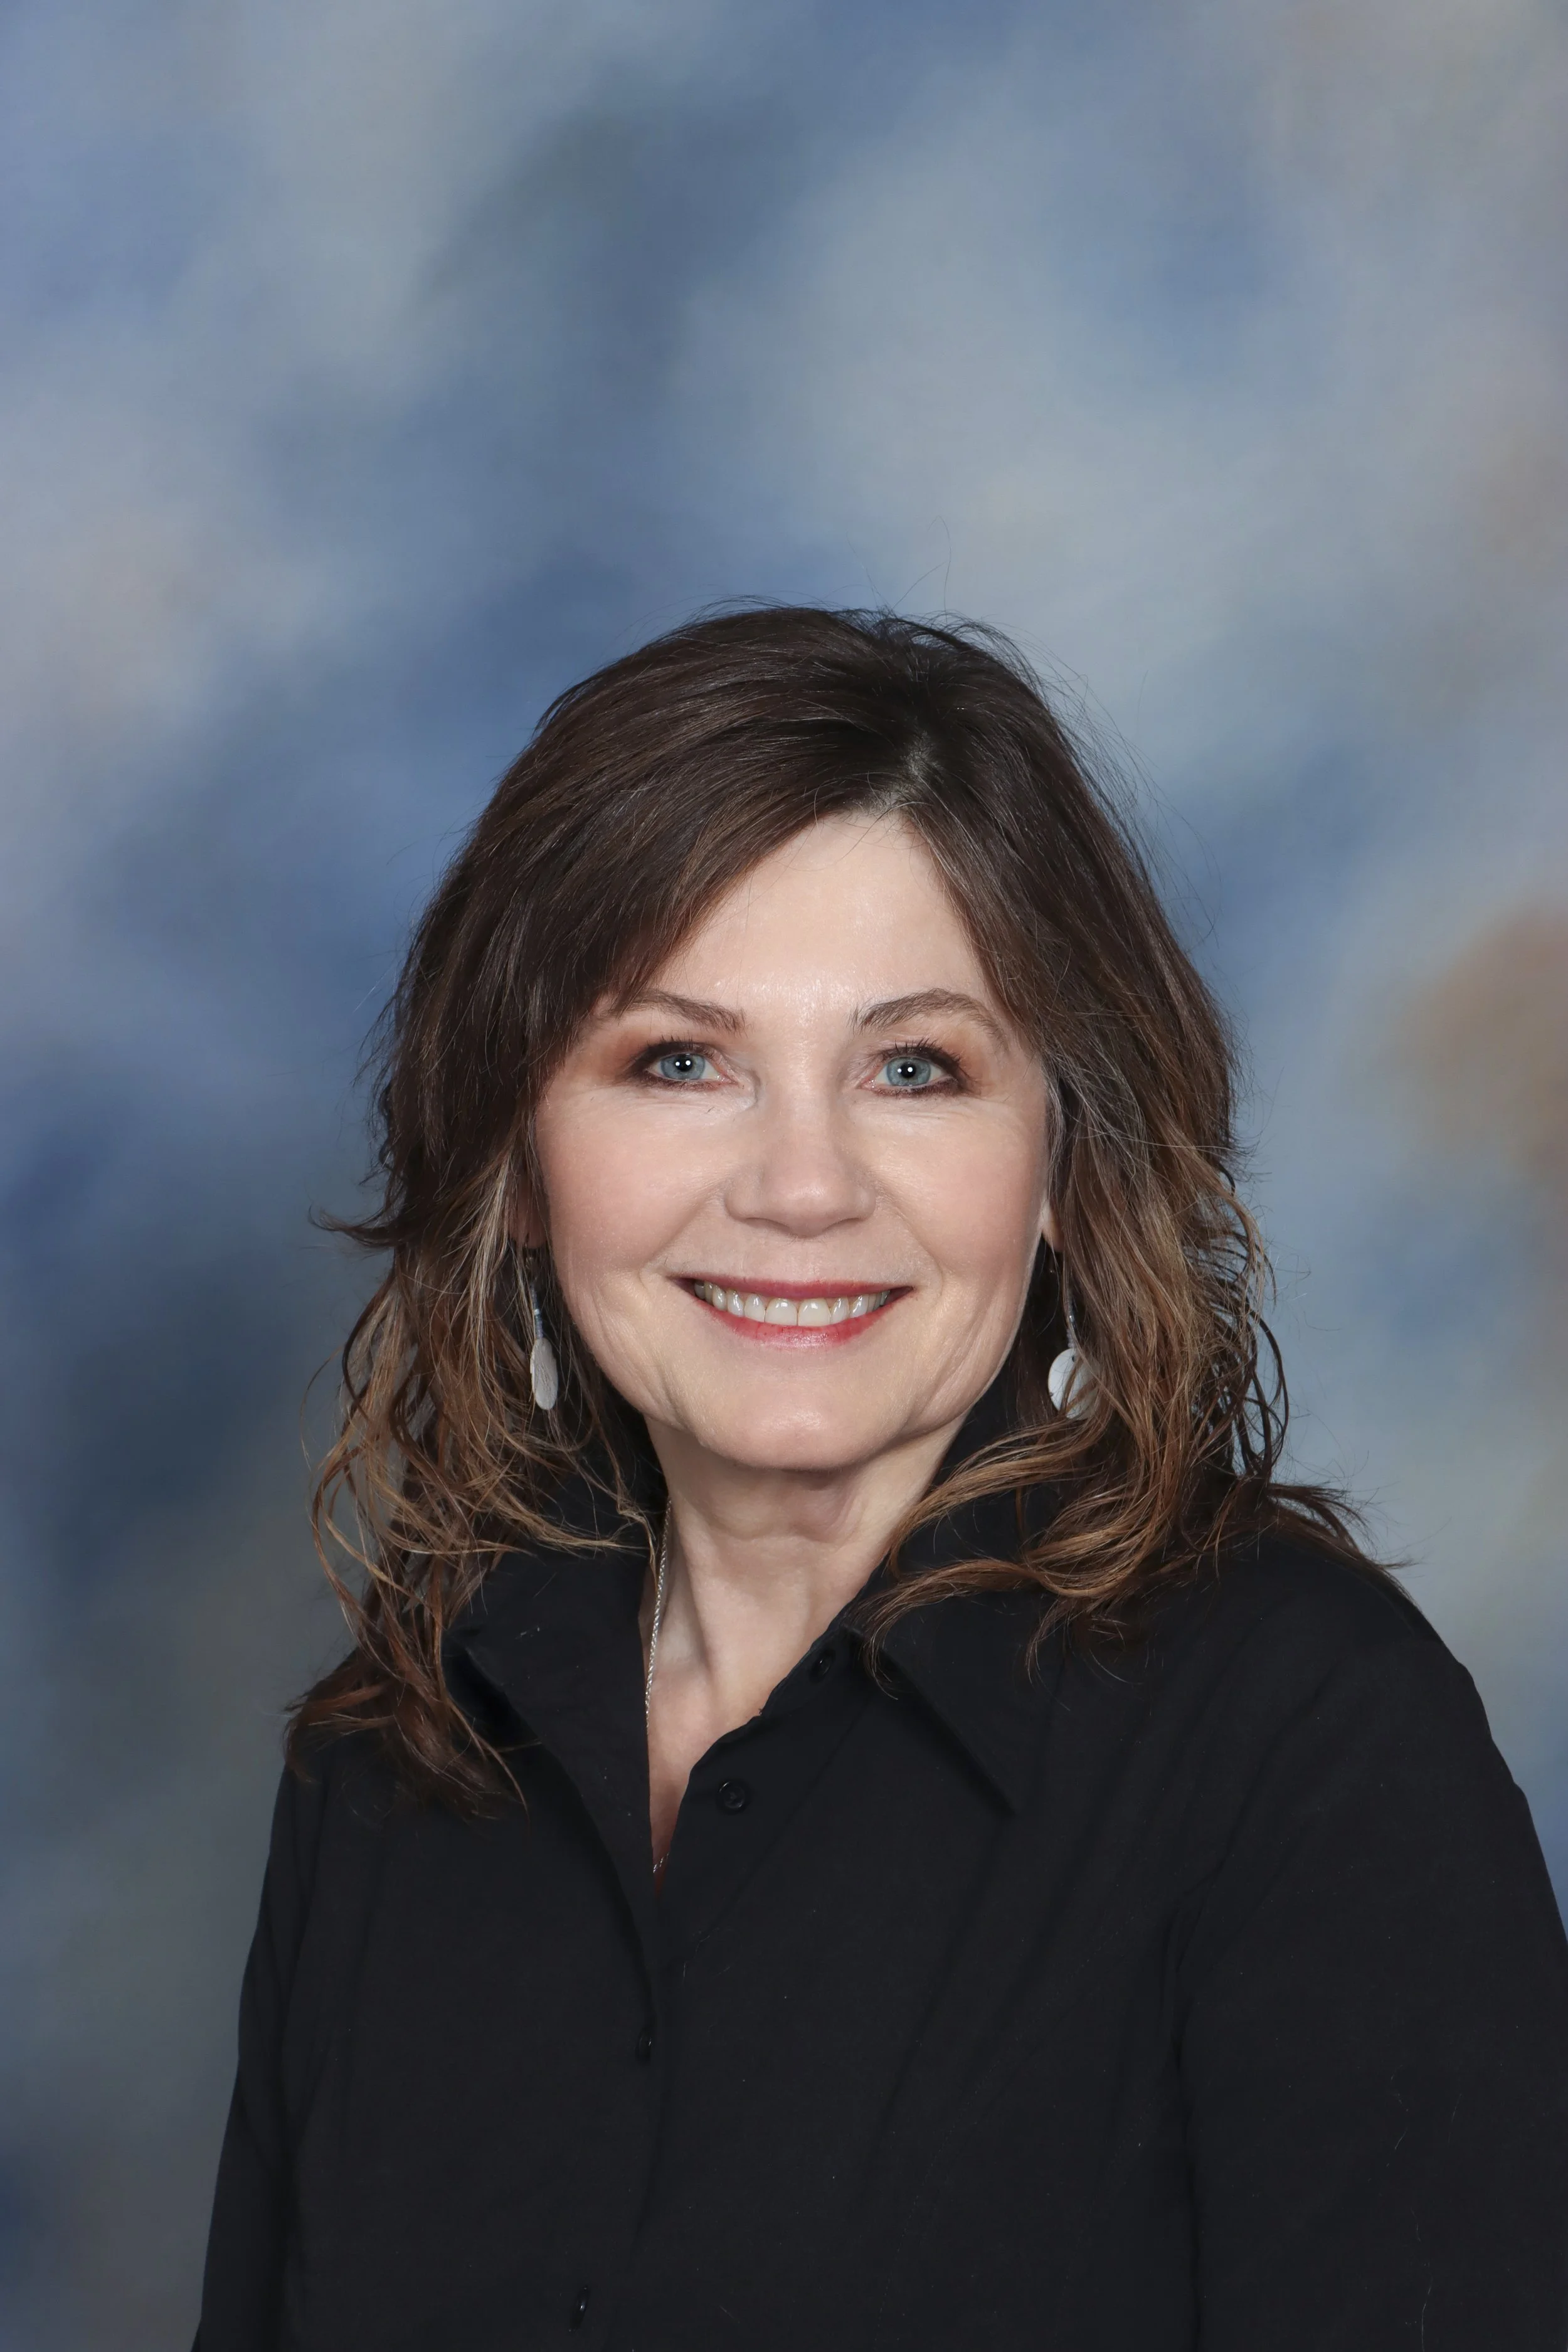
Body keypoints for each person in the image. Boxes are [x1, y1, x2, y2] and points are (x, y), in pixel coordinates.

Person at [194, 607, 1568, 2352]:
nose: (799, 1183)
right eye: (677, 1060)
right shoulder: (390, 1761)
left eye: (913, 1067)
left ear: (1063, 1158)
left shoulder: (1305, 1748)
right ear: (518, 1156)